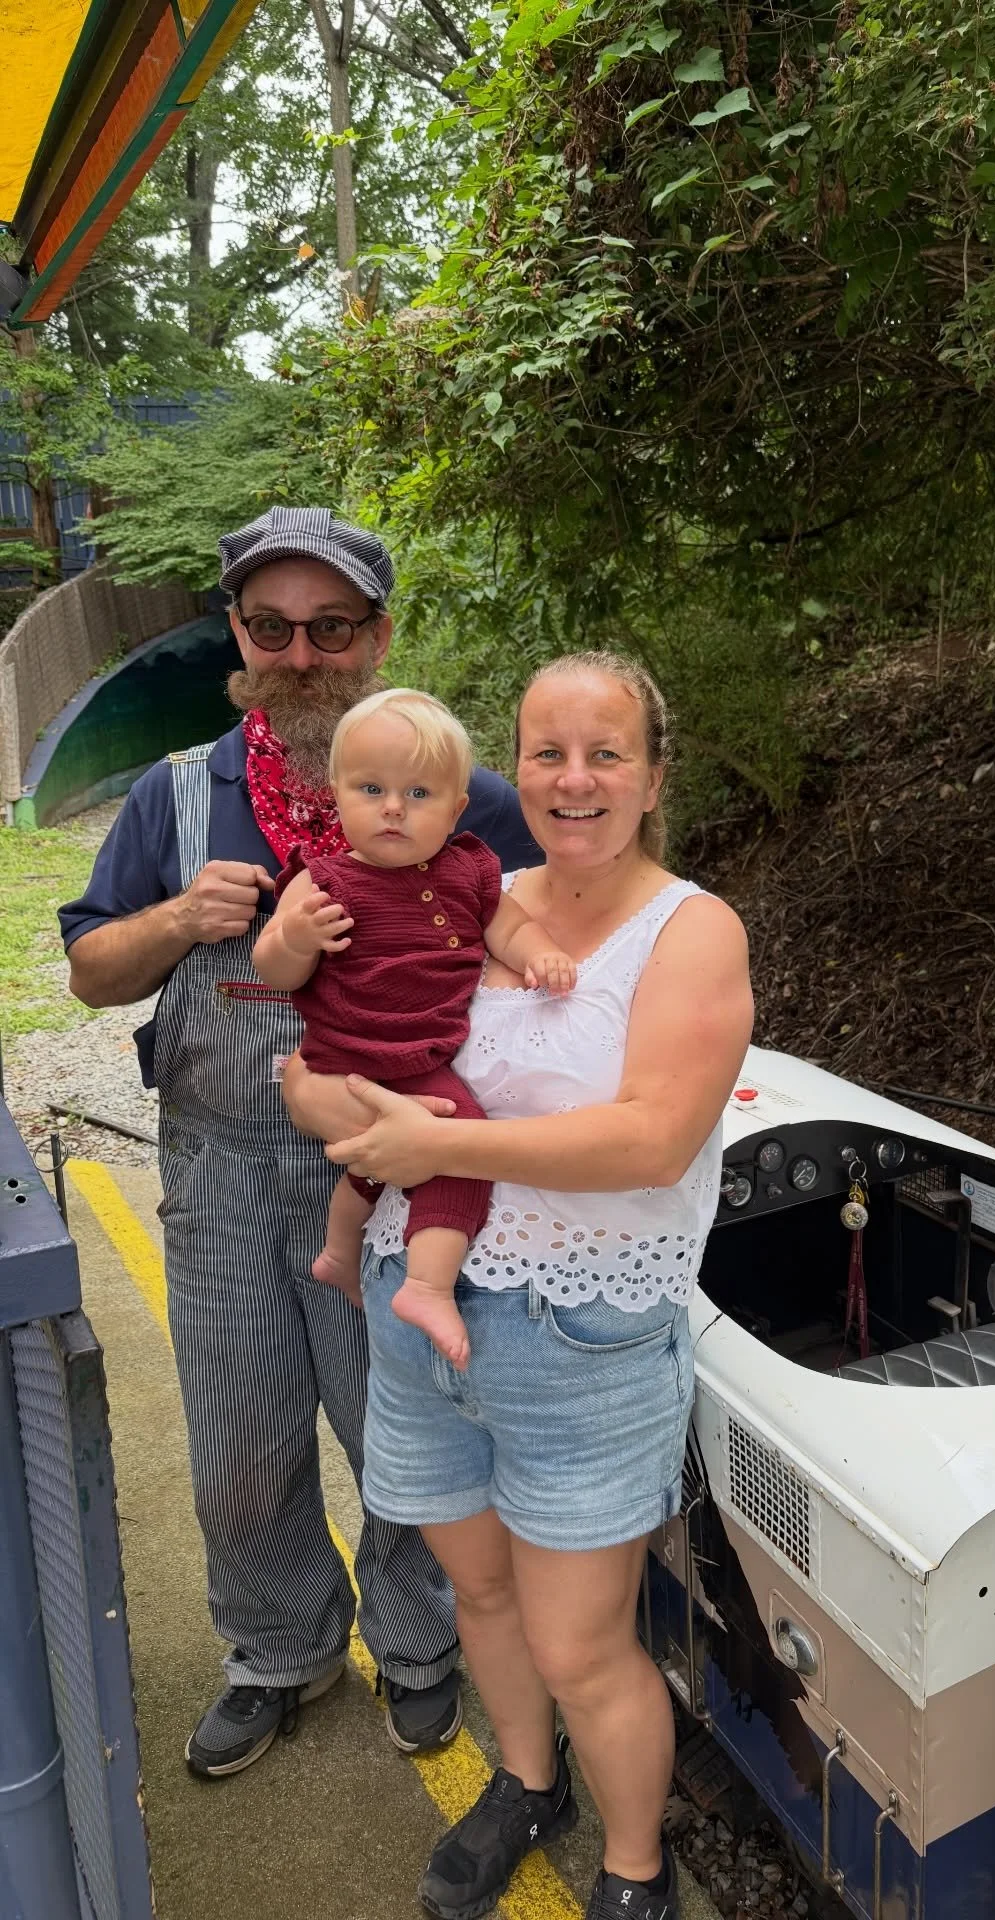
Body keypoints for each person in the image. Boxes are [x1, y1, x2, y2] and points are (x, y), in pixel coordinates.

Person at [58, 507, 541, 1780]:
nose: (302, 653)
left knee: (408, 1431)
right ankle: (280, 1648)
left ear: (377, 638)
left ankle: (421, 1643)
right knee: (238, 1442)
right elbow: (90, 973)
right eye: (272, 626)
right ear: (238, 637)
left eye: (332, 628)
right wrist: (176, 916)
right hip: (221, 1176)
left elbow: (562, 961)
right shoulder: (176, 793)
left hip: (397, 1169)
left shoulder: (467, 796)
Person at [282, 651, 753, 1920]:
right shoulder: (466, 888)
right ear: (513, 766)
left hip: (582, 1336)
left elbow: (651, 1139)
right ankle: (529, 1785)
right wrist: (323, 1099)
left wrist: (434, 1144)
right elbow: (327, 1062)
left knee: (582, 1643)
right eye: (547, 751)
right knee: (476, 1591)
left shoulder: (691, 931)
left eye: (605, 753)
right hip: (417, 1309)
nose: (573, 778)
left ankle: (635, 1867)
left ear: (654, 776)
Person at [253, 686, 576, 1368]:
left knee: (379, 1169)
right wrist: (298, 937)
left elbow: (508, 925)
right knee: (459, 1148)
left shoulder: (469, 871)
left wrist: (537, 952)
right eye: (371, 788)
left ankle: (340, 1253)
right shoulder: (321, 881)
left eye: (419, 794)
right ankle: (428, 1286)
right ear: (337, 794)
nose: (394, 808)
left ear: (457, 808)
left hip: (421, 1055)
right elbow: (273, 970)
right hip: (352, 1053)